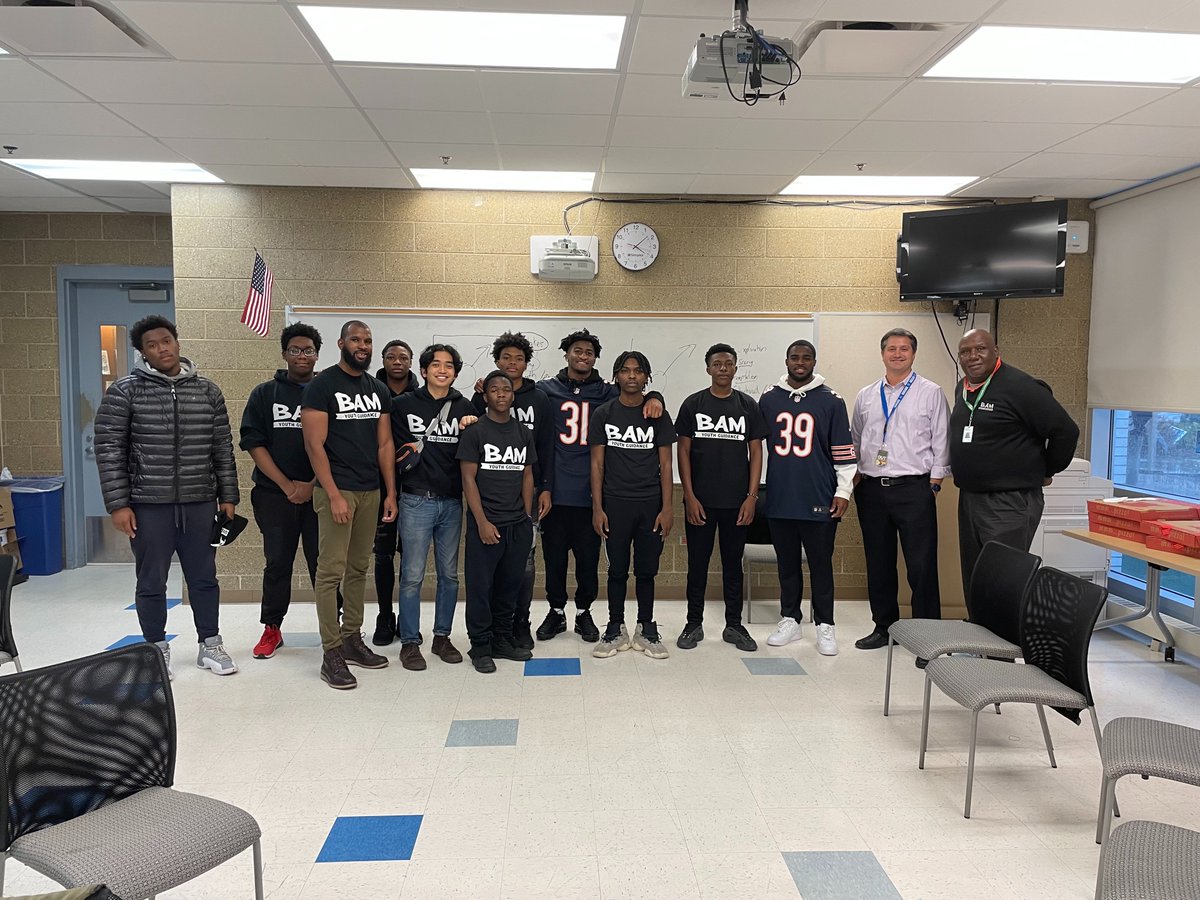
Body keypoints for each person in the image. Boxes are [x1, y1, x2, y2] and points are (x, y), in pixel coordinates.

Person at [94, 314, 239, 677]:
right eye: (152, 345)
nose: (162, 349)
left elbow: (222, 448)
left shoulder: (208, 391)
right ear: (143, 353)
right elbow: (109, 449)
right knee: (151, 580)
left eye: (166, 341)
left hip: (200, 502)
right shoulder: (125, 391)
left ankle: (210, 644)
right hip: (148, 505)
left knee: (204, 578)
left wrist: (229, 495)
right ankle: (155, 649)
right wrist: (119, 504)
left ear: (177, 342)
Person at [535, 328, 662, 645]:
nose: (583, 356)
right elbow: (514, 392)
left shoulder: (605, 393)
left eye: (589, 352)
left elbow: (635, 395)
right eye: (577, 351)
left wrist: (656, 396)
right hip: (555, 492)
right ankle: (555, 611)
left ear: (596, 359)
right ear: (566, 354)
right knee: (554, 560)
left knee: (589, 561)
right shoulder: (545, 390)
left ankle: (583, 612)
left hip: (593, 494)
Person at [950, 328, 1079, 600]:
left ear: (996, 351)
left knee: (1003, 579)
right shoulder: (963, 389)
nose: (972, 356)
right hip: (971, 498)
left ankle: (1007, 641)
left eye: (980, 349)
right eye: (965, 351)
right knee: (975, 577)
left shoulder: (1021, 387)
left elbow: (1066, 431)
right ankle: (980, 638)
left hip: (1008, 502)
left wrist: (1046, 470)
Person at [301, 320, 395, 690]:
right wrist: (334, 494)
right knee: (330, 572)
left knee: (358, 568)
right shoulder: (321, 386)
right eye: (356, 339)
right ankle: (331, 652)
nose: (363, 345)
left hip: (370, 491)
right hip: (336, 492)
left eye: (368, 340)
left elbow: (385, 445)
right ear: (341, 343)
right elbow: (314, 445)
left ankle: (353, 638)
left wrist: (389, 492)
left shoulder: (378, 389)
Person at [851, 328, 951, 657]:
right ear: (882, 354)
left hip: (914, 489)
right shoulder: (866, 395)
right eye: (891, 349)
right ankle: (884, 627)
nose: (897, 353)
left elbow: (941, 439)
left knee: (920, 565)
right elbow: (856, 438)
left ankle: (928, 638)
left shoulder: (930, 392)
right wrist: (855, 477)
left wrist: (934, 482)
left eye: (904, 349)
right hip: (872, 489)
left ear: (913, 354)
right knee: (878, 563)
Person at [239, 322, 335, 660]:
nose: (302, 355)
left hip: (320, 494)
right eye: (295, 349)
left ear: (317, 354)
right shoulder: (265, 394)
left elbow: (338, 446)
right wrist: (287, 485)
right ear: (284, 353)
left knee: (323, 564)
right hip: (274, 496)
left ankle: (332, 629)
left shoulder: (328, 393)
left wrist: (311, 485)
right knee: (277, 563)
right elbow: (253, 442)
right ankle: (272, 629)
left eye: (308, 350)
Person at [758, 339, 856, 657]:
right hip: (781, 497)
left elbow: (844, 454)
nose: (800, 362)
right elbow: (756, 448)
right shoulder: (769, 398)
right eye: (795, 357)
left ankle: (825, 624)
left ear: (814, 361)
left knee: (820, 565)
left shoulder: (832, 401)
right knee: (787, 566)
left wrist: (843, 491)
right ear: (786, 360)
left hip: (819, 497)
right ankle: (790, 619)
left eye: (807, 357)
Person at [675, 343, 766, 652]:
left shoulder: (748, 406)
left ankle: (734, 625)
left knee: (732, 566)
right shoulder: (693, 404)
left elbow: (756, 451)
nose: (723, 368)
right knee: (696, 565)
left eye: (729, 363)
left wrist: (752, 497)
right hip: (700, 502)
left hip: (737, 504)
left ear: (735, 368)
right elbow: (683, 451)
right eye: (717, 363)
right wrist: (689, 496)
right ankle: (693, 624)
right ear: (709, 369)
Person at [391, 343, 476, 671]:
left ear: (455, 371)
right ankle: (410, 642)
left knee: (449, 576)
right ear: (424, 370)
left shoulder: (465, 407)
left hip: (453, 502)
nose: (443, 369)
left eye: (449, 365)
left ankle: (442, 636)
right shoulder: (402, 405)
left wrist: (473, 422)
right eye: (436, 364)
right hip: (415, 500)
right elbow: (389, 450)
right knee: (412, 575)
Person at [588, 351, 676, 659]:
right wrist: (597, 508)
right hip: (615, 504)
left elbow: (667, 465)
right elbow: (597, 466)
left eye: (638, 371)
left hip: (650, 504)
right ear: (616, 376)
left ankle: (646, 629)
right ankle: (615, 628)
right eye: (625, 371)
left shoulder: (657, 413)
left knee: (647, 571)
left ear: (646, 377)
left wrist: (668, 508)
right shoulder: (603, 414)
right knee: (616, 571)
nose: (632, 376)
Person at [470, 332, 554, 650]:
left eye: (519, 358)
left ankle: (519, 623)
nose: (513, 363)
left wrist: (545, 489)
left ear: (526, 363)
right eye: (507, 358)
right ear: (497, 362)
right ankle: (488, 630)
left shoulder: (540, 399)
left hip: (527, 496)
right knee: (491, 564)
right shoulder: (482, 397)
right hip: (490, 497)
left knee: (524, 562)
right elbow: (472, 430)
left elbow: (546, 448)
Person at [458, 370, 537, 673]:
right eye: (494, 390)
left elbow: (527, 475)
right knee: (480, 587)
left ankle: (501, 639)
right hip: (486, 525)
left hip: (516, 524)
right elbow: (468, 478)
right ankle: (480, 645)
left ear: (512, 395)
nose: (501, 394)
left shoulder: (522, 432)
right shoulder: (475, 432)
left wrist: (526, 518)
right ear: (486, 395)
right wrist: (481, 521)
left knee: (509, 586)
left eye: (506, 390)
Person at [372, 339, 420, 646]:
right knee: (383, 553)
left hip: (416, 485)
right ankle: (384, 615)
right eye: (391, 357)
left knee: (410, 556)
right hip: (378, 485)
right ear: (384, 360)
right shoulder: (371, 392)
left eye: (403, 357)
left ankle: (406, 616)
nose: (397, 362)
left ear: (412, 362)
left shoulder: (423, 395)